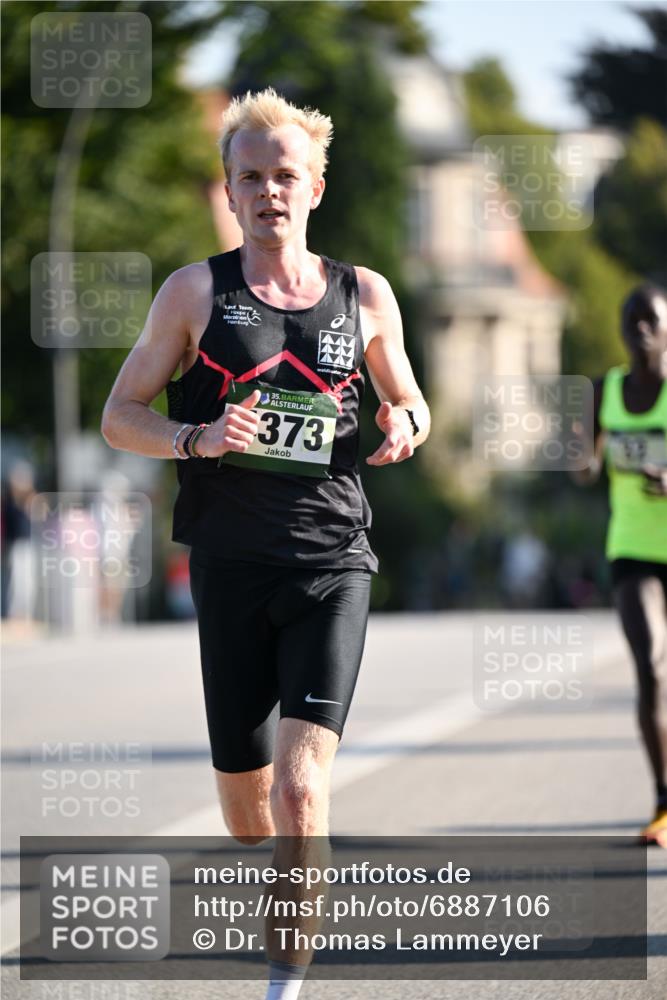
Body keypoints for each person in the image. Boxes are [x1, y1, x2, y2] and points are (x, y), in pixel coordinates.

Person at [101, 87, 430, 996]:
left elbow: (407, 394)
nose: (269, 192)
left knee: (299, 793)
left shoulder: (365, 294)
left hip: (332, 564)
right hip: (230, 570)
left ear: (315, 187)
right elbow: (118, 415)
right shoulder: (194, 292)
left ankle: (284, 979)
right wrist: (195, 438)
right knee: (250, 816)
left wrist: (409, 421)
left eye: (286, 175)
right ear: (229, 189)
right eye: (251, 176)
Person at [573, 284, 667, 846]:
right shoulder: (603, 389)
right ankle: (663, 803)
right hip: (631, 547)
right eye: (630, 320)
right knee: (653, 667)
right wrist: (580, 459)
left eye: (650, 320)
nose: (640, 330)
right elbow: (587, 466)